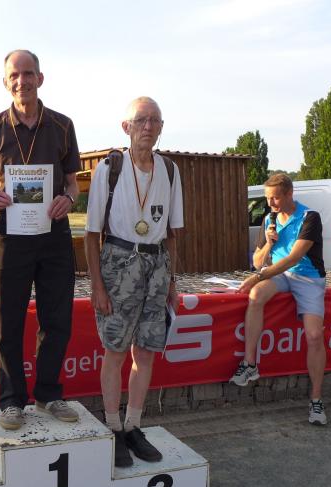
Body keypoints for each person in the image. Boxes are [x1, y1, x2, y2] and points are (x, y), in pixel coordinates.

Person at [0, 49, 81, 430]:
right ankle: (12, 402)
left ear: (40, 78)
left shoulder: (63, 125)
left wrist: (68, 199)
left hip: (54, 233)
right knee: (7, 322)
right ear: (5, 82)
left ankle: (49, 394)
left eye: (28, 73)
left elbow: (72, 183)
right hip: (11, 236)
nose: (21, 81)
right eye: (14, 75)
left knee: (56, 319)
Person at [85, 97, 183, 467]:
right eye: (141, 120)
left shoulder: (170, 170)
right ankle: (113, 428)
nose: (148, 127)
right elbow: (91, 234)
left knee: (145, 351)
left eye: (155, 120)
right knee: (115, 350)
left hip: (156, 265)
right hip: (118, 263)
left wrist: (171, 281)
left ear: (162, 128)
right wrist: (97, 285)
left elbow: (172, 234)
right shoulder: (109, 169)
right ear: (126, 127)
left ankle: (133, 426)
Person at [230, 173, 328, 426]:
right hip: (279, 274)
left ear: (289, 194)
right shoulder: (268, 220)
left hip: (308, 277)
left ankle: (316, 400)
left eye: (275, 198)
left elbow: (294, 258)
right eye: (267, 198)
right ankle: (250, 363)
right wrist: (269, 244)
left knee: (314, 336)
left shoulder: (310, 217)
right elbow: (257, 261)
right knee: (256, 295)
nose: (270, 203)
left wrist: (257, 276)